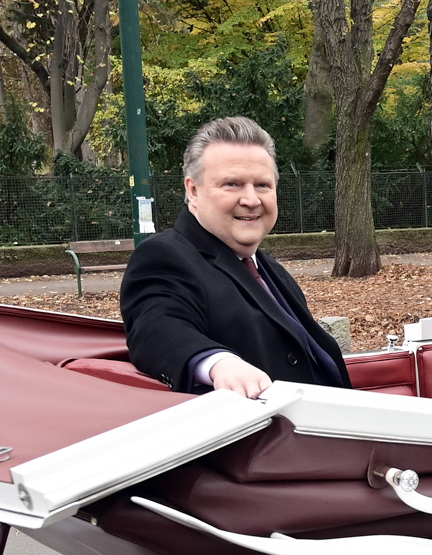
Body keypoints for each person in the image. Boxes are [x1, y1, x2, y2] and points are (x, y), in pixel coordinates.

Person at [122, 116, 352, 395]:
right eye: (232, 184)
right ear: (193, 191)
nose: (252, 200)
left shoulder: (270, 269)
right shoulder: (164, 256)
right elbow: (157, 328)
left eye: (263, 185)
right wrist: (218, 363)